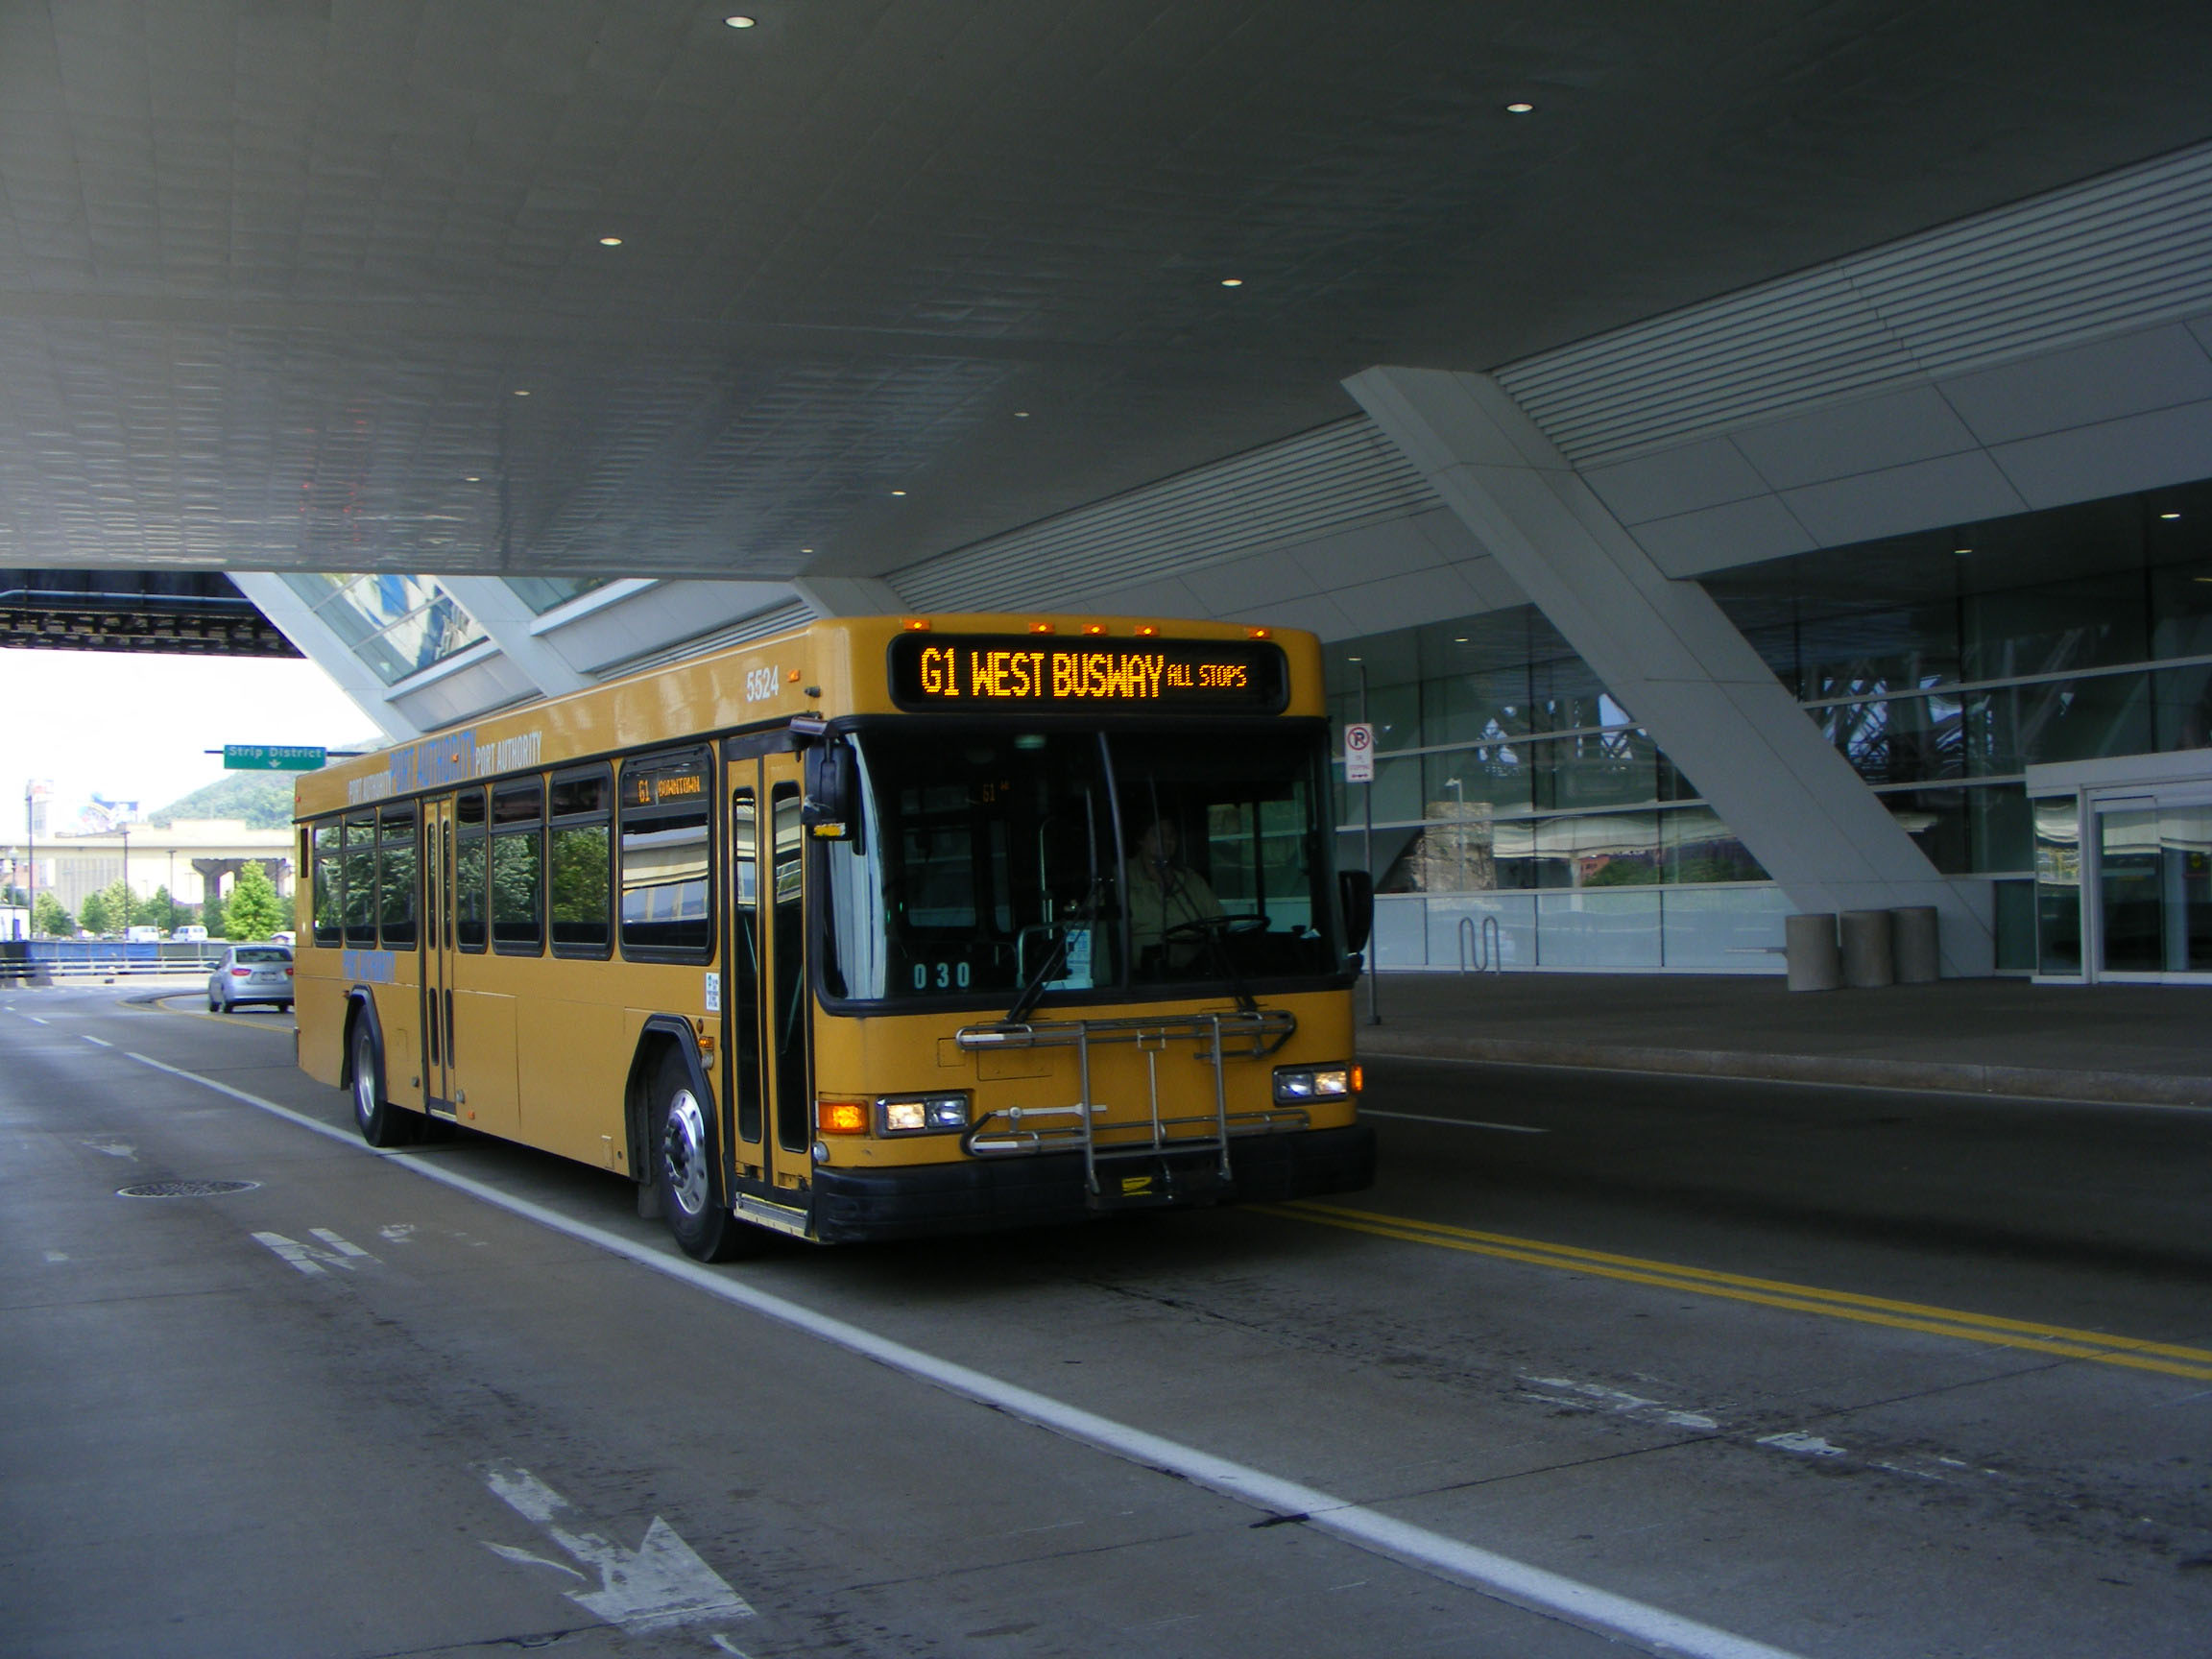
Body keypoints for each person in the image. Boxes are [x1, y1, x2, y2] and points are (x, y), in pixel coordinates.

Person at [1125, 818, 1223, 970]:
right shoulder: (1120, 878)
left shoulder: (1192, 879)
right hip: (1142, 976)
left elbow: (1219, 921)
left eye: (1171, 835)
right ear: (1140, 839)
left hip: (1197, 970)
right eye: (1158, 835)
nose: (1166, 840)